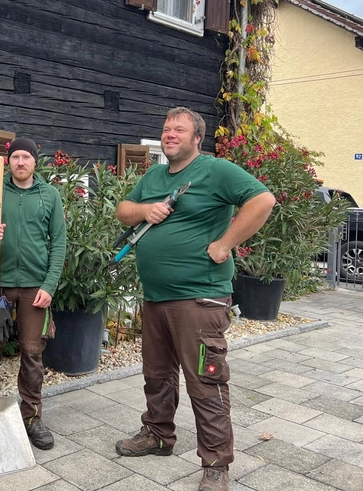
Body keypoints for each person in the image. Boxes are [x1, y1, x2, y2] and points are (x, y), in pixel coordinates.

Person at [114, 107, 275, 491]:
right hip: (155, 297)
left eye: (179, 130)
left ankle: (216, 465)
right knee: (157, 374)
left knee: (206, 381)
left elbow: (262, 200)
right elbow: (123, 210)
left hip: (200, 300)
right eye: (166, 128)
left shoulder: (214, 170)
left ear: (196, 138)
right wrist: (145, 210)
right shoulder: (154, 175)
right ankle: (157, 434)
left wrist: (224, 245)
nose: (170, 134)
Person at [0, 137, 67, 450]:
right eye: (15, 157)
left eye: (26, 157)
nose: (20, 162)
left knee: (33, 354)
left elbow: (60, 244)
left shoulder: (49, 196)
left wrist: (49, 286)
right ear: (8, 162)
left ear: (35, 162)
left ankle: (32, 418)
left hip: (36, 286)